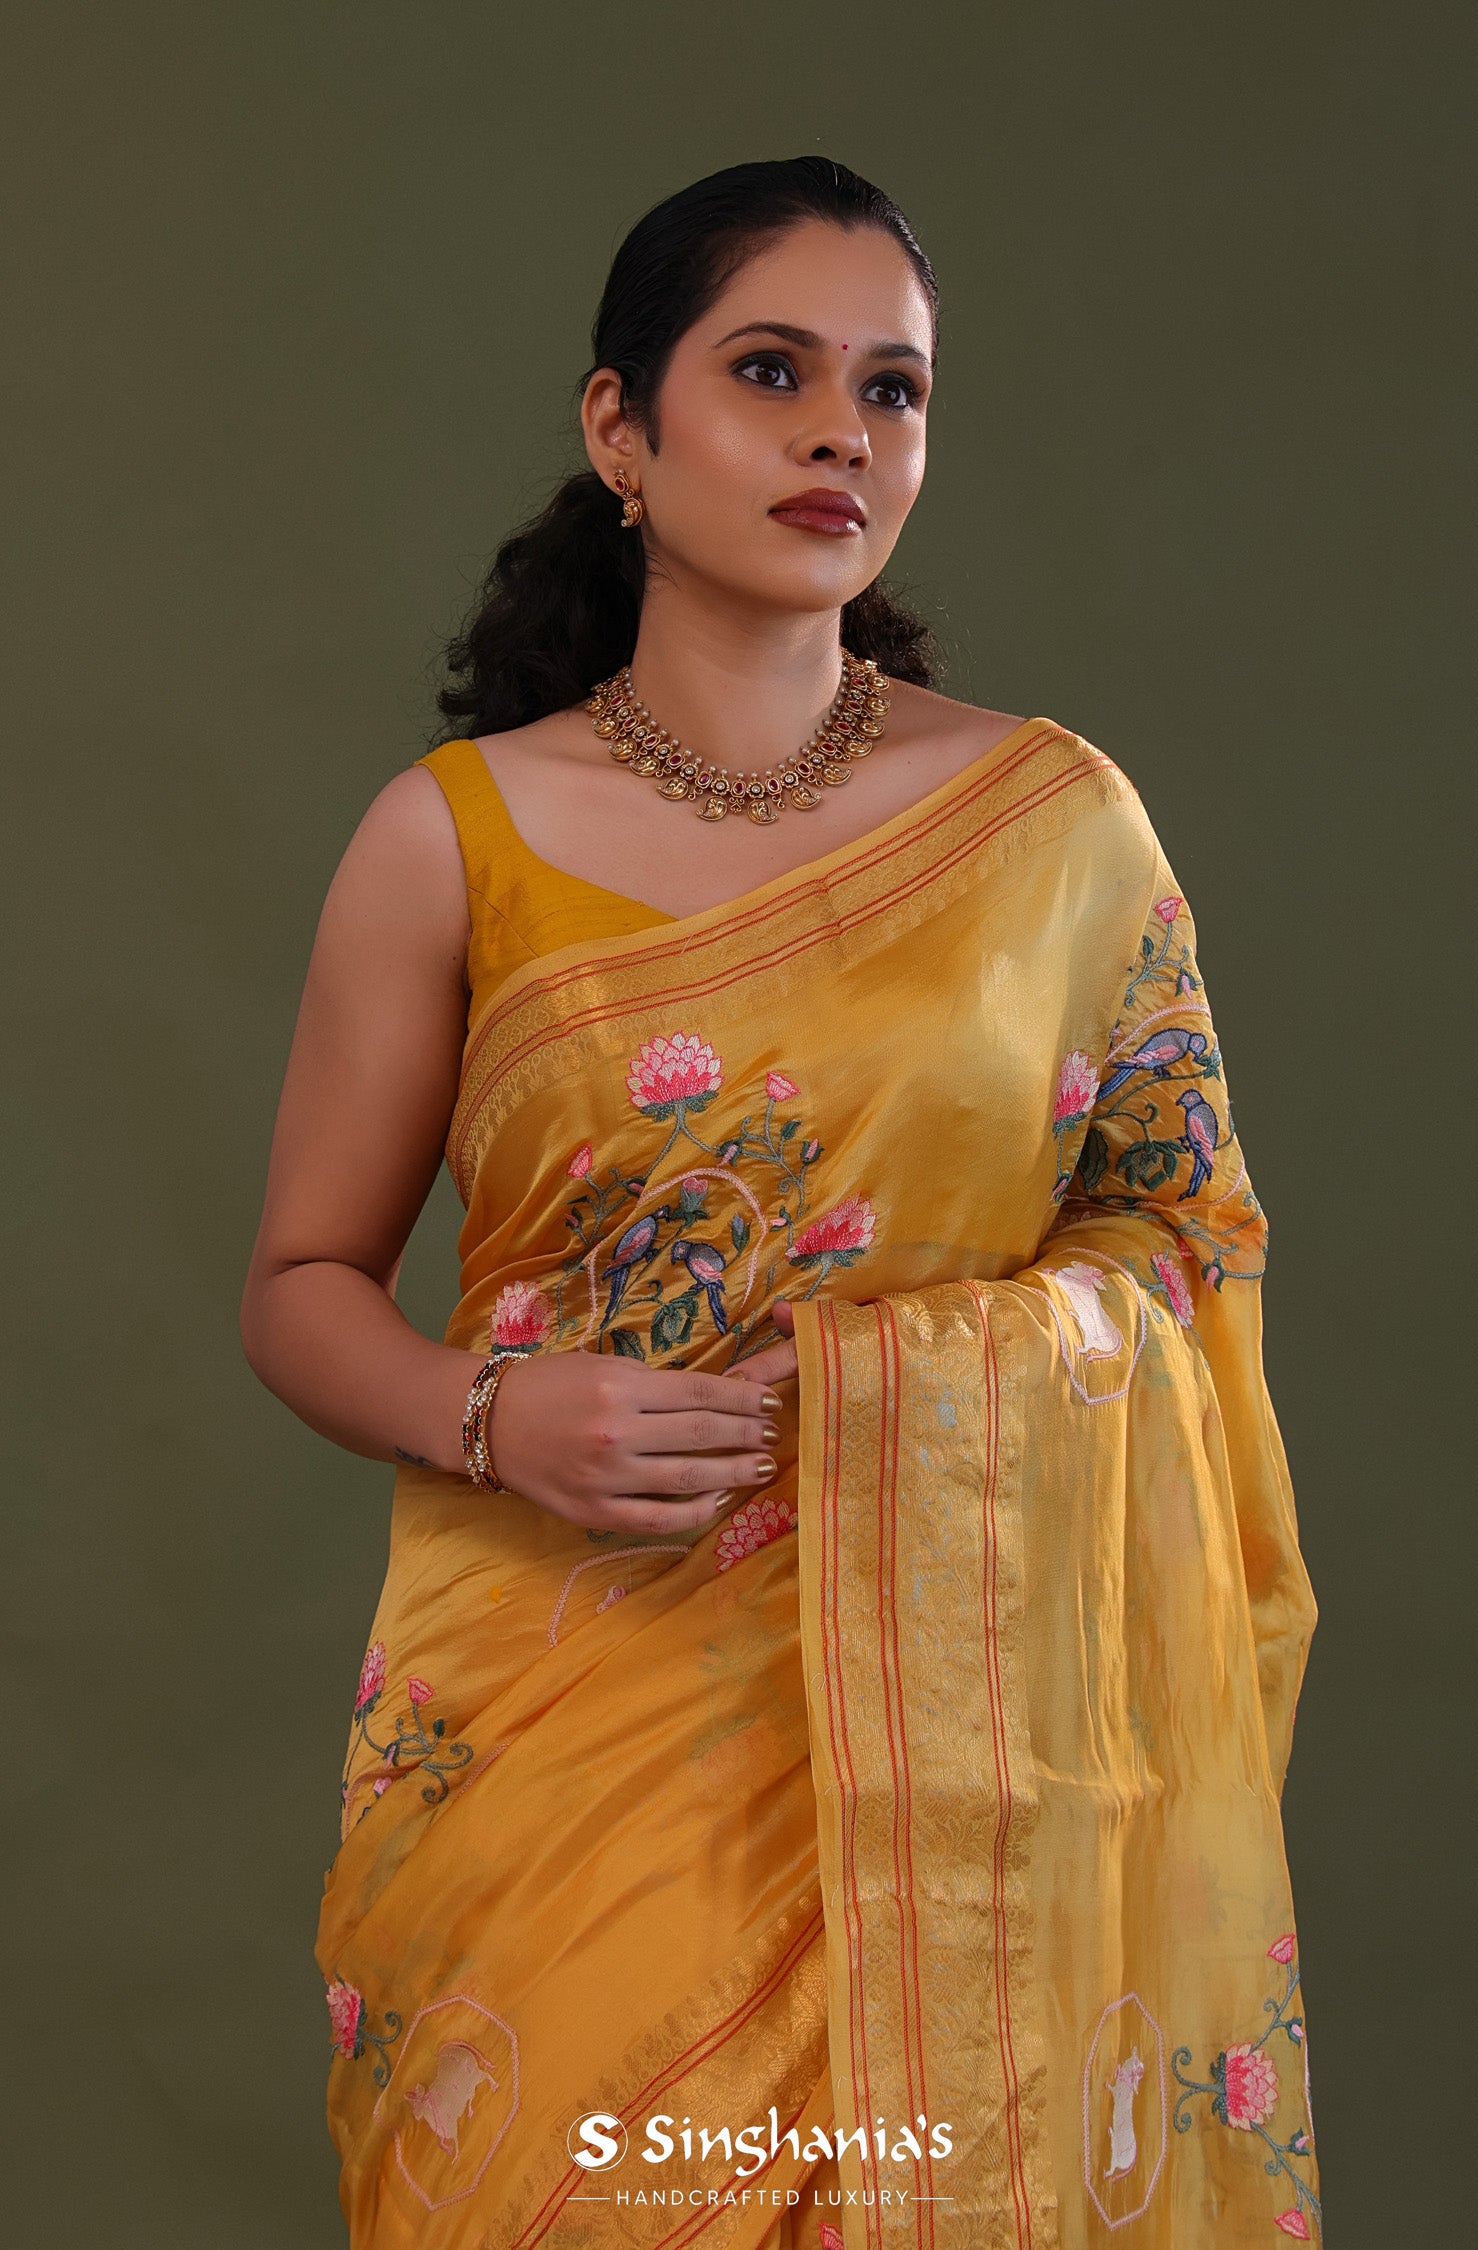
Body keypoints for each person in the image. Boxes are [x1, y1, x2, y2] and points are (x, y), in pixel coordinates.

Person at [241, 157, 1321, 2249]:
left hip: (969, 1779)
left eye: (891, 389)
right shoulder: (451, 837)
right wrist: (493, 1412)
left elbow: (1189, 1253)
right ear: (620, 428)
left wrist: (913, 1390)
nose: (845, 432)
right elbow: (299, 1281)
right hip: (565, 1744)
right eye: (772, 372)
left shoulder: (1055, 827)